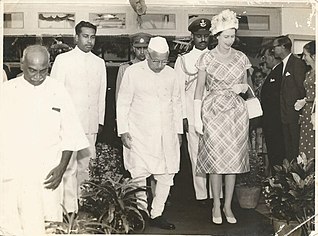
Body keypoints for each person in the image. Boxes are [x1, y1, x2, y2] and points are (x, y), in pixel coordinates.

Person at [0, 45, 89, 235]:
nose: (38, 76)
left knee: (49, 222)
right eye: (32, 70)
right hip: (16, 172)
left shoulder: (58, 90)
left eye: (43, 71)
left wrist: (62, 168)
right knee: (14, 224)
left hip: (48, 172)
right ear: (22, 65)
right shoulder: (7, 91)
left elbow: (71, 133)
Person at [117, 36, 182, 230]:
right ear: (147, 55)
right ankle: (142, 212)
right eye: (156, 61)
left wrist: (179, 132)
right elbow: (123, 103)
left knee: (166, 174)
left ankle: (157, 212)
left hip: (166, 133)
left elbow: (177, 103)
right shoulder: (133, 72)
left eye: (164, 61)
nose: (160, 65)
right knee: (139, 173)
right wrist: (123, 131)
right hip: (140, 133)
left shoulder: (171, 74)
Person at [194, 9, 252, 225]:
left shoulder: (241, 58)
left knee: (233, 161)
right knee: (216, 160)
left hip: (236, 112)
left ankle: (228, 205)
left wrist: (242, 87)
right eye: (226, 36)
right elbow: (199, 89)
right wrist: (196, 118)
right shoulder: (206, 58)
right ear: (217, 36)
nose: (230, 40)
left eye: (233, 36)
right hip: (213, 111)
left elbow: (247, 86)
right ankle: (216, 204)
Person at [50, 20, 107, 215]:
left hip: (90, 124)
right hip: (68, 124)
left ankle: (84, 203)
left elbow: (101, 96)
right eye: (85, 36)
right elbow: (55, 94)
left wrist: (99, 121)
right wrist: (56, 122)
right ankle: (68, 208)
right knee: (69, 167)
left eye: (92, 37)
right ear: (76, 37)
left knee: (86, 167)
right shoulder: (63, 60)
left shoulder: (99, 63)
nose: (89, 41)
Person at [174, 17, 213, 204]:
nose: (203, 39)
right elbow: (178, 92)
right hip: (191, 113)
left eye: (206, 35)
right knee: (195, 154)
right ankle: (201, 195)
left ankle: (216, 194)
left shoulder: (216, 57)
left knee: (215, 154)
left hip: (215, 115)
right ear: (193, 36)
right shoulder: (183, 61)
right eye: (199, 36)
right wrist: (182, 116)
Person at [272, 35, 306, 161]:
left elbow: (302, 89)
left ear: (283, 47)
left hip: (294, 115)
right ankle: (292, 177)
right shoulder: (284, 65)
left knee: (296, 148)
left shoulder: (296, 64)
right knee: (289, 149)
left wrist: (301, 113)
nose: (273, 50)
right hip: (285, 115)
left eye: (274, 47)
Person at [260, 47, 285, 170]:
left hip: (275, 122)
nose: (265, 61)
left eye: (265, 57)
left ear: (272, 57)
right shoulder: (273, 73)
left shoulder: (280, 72)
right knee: (273, 153)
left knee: (277, 154)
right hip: (270, 123)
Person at [115, 32, 152, 102]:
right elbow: (119, 96)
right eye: (138, 48)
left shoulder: (153, 67)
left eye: (145, 48)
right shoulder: (125, 68)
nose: (142, 52)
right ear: (133, 48)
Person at [294, 41, 315, 160]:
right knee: (306, 143)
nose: (303, 58)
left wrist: (307, 100)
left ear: (314, 56)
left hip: (314, 112)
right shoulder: (308, 73)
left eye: (305, 55)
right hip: (306, 113)